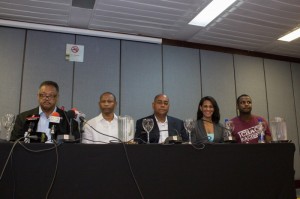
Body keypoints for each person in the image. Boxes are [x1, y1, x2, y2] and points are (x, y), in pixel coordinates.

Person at [10, 81, 79, 143]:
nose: (46, 98)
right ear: (38, 97)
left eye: (51, 95)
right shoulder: (23, 117)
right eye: (43, 95)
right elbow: (14, 142)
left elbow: (76, 145)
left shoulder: (68, 119)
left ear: (57, 97)